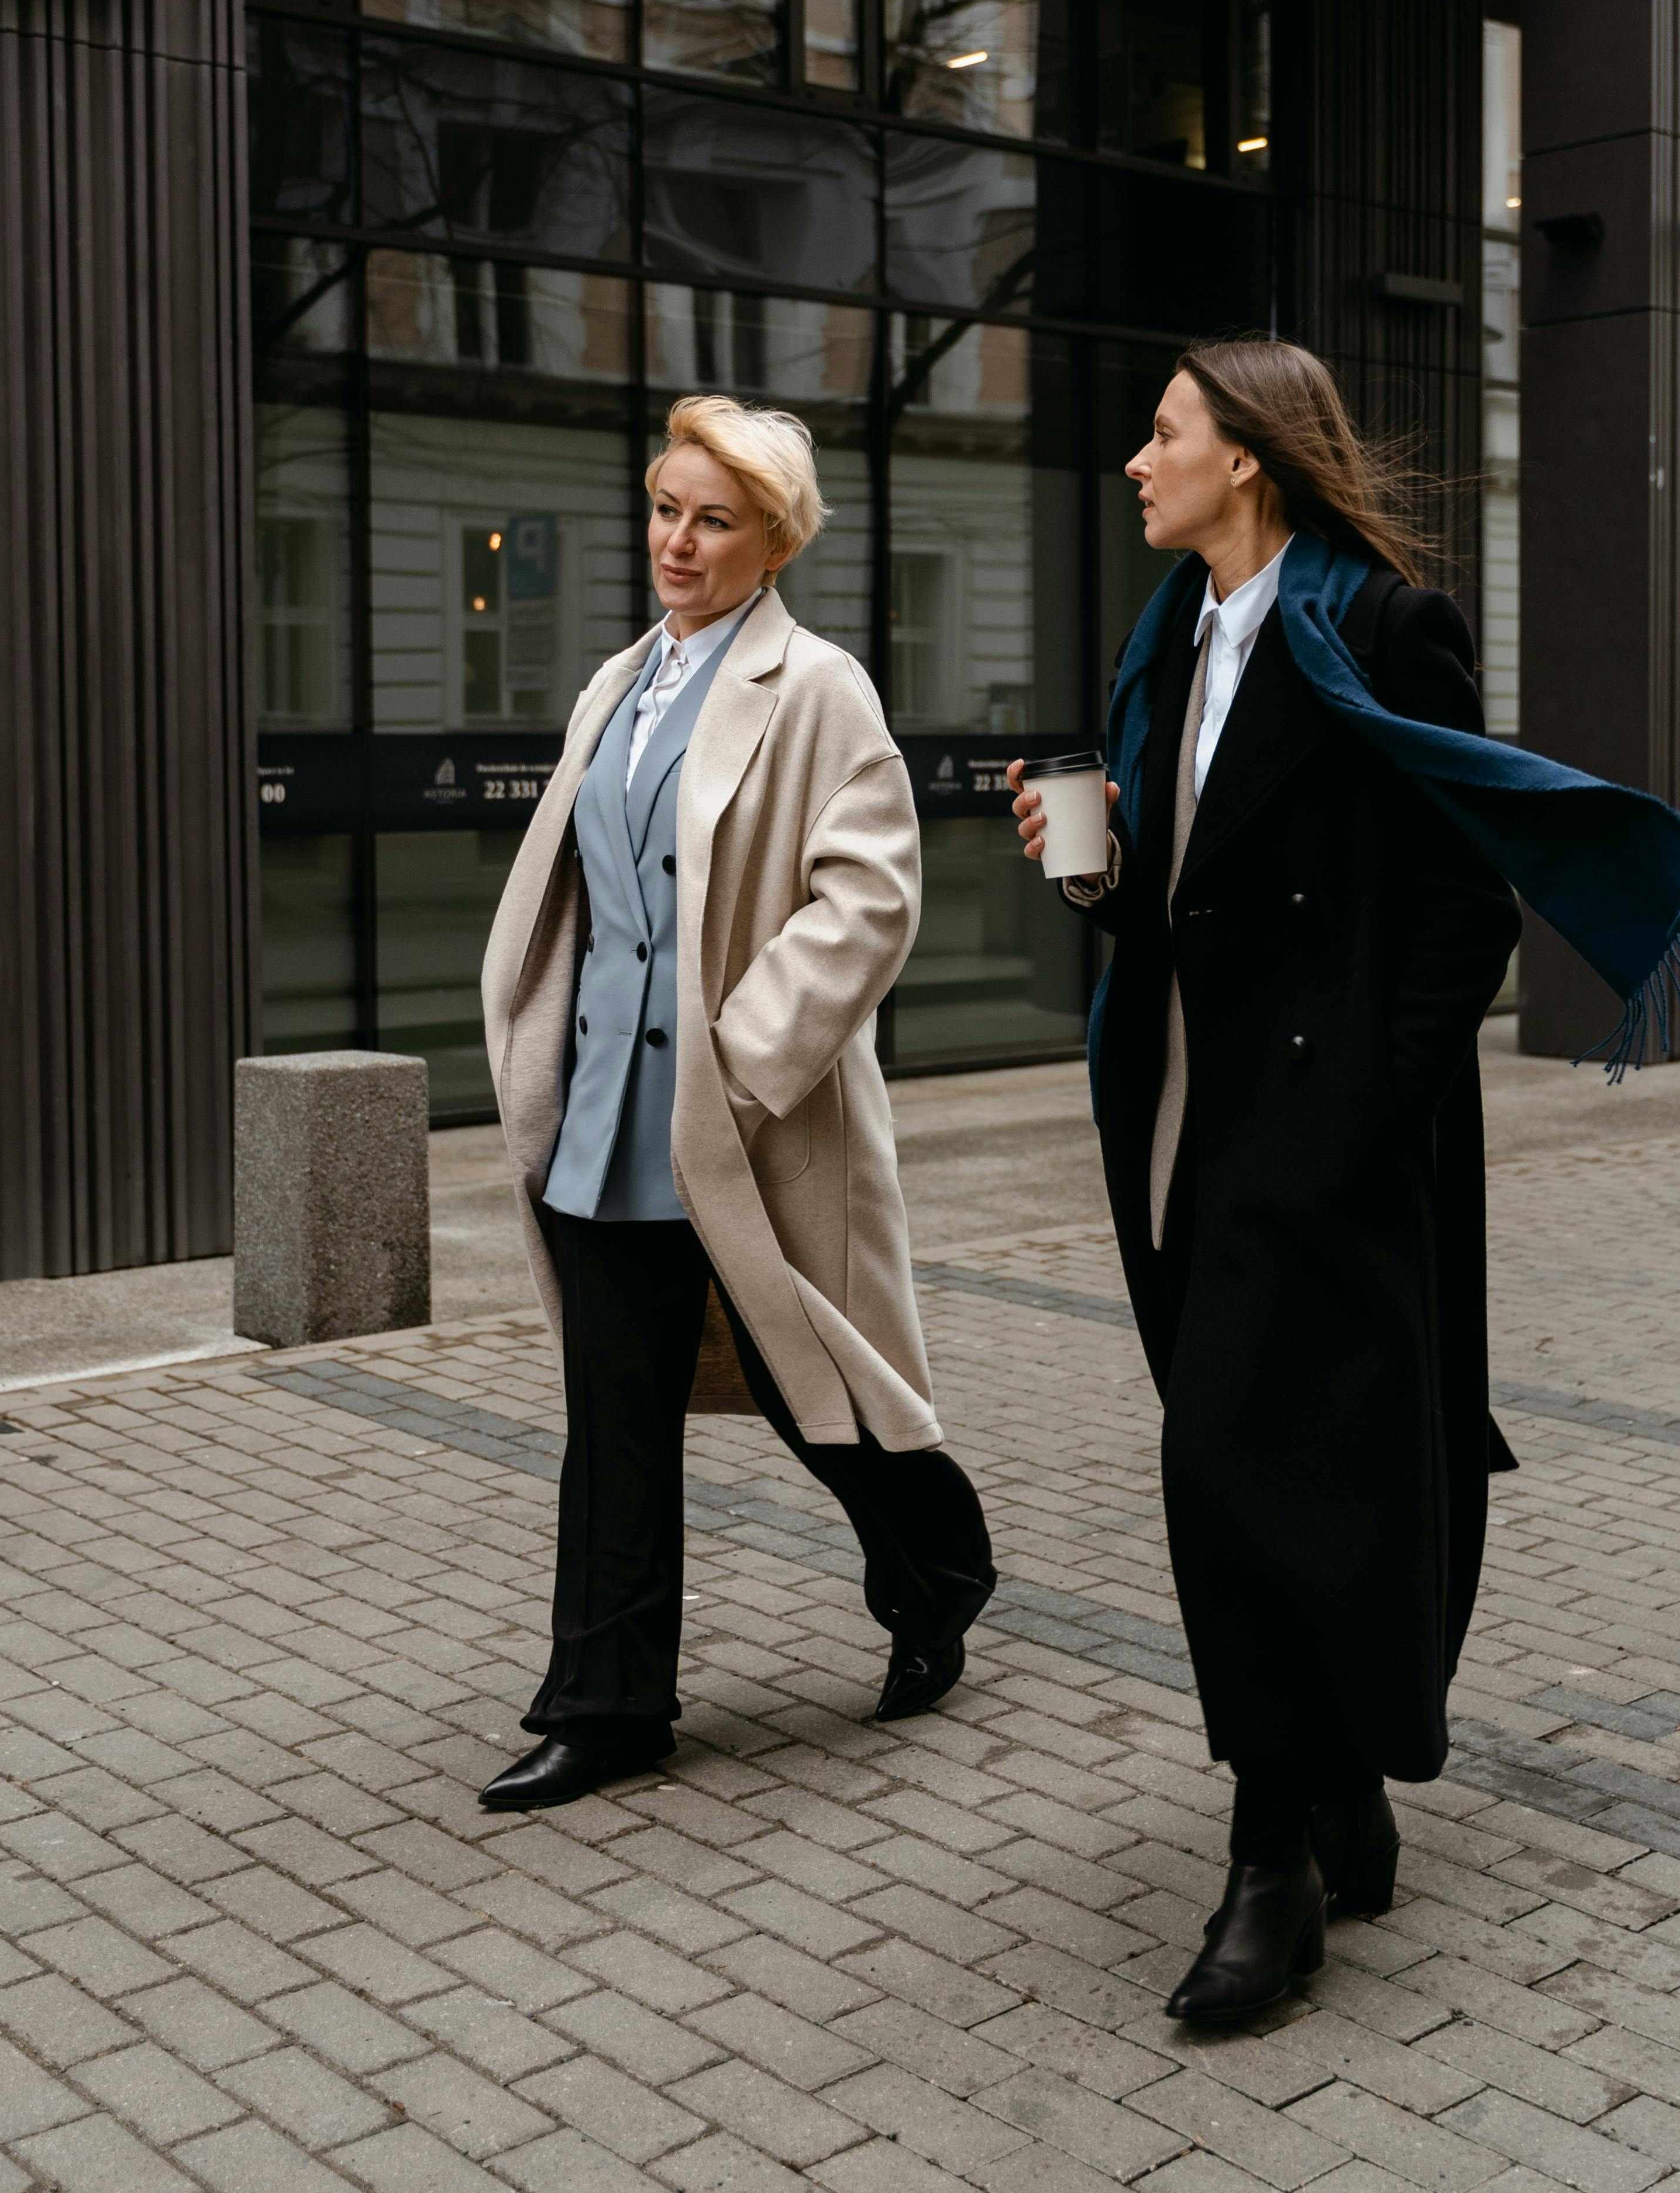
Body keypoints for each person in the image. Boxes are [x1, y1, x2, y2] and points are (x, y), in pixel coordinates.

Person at [1013, 339, 1521, 2019]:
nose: (1140, 462)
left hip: (1325, 1142)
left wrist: (1374, 1113)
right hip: (1181, 1123)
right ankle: (1344, 1783)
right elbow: (1178, 899)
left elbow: (1468, 897)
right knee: (1252, 1464)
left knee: (1239, 1477)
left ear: (1250, 457)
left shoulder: (1381, 627)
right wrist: (1088, 883)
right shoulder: (1171, 644)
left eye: (1165, 434)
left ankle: (1272, 1864)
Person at [477, 393, 995, 1813]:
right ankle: (608, 1702)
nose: (678, 541)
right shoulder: (616, 681)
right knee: (615, 1417)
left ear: (774, 541)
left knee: (804, 1386)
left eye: (713, 519)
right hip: (602, 1124)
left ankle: (941, 1567)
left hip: (744, 1127)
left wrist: (749, 1057)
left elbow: (872, 897)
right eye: (664, 507)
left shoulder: (818, 687)